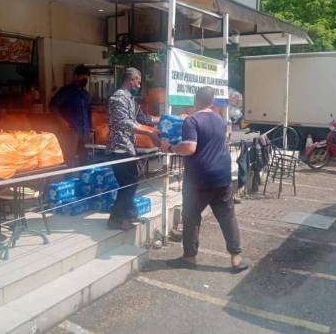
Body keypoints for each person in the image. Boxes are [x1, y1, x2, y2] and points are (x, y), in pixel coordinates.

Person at [161, 86, 250, 273]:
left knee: (191, 216)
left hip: (198, 180)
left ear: (195, 100)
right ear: (212, 102)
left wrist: (169, 147)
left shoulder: (192, 120)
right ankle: (236, 258)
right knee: (227, 217)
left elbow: (190, 148)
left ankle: (190, 257)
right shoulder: (220, 119)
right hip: (223, 176)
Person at [107, 67, 158, 230]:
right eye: (139, 81)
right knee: (129, 183)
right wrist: (150, 133)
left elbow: (141, 117)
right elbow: (125, 123)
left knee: (130, 183)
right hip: (119, 148)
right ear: (132, 80)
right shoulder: (118, 98)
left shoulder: (129, 98)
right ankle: (115, 218)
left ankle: (128, 214)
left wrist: (160, 121)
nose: (140, 85)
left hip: (128, 147)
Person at [49, 65, 92, 165]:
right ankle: (68, 179)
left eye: (87, 78)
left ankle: (83, 179)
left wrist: (90, 128)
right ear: (75, 77)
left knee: (85, 159)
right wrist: (62, 121)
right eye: (83, 77)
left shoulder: (86, 94)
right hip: (70, 130)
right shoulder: (65, 91)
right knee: (69, 158)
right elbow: (53, 106)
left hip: (84, 131)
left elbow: (88, 112)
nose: (85, 80)